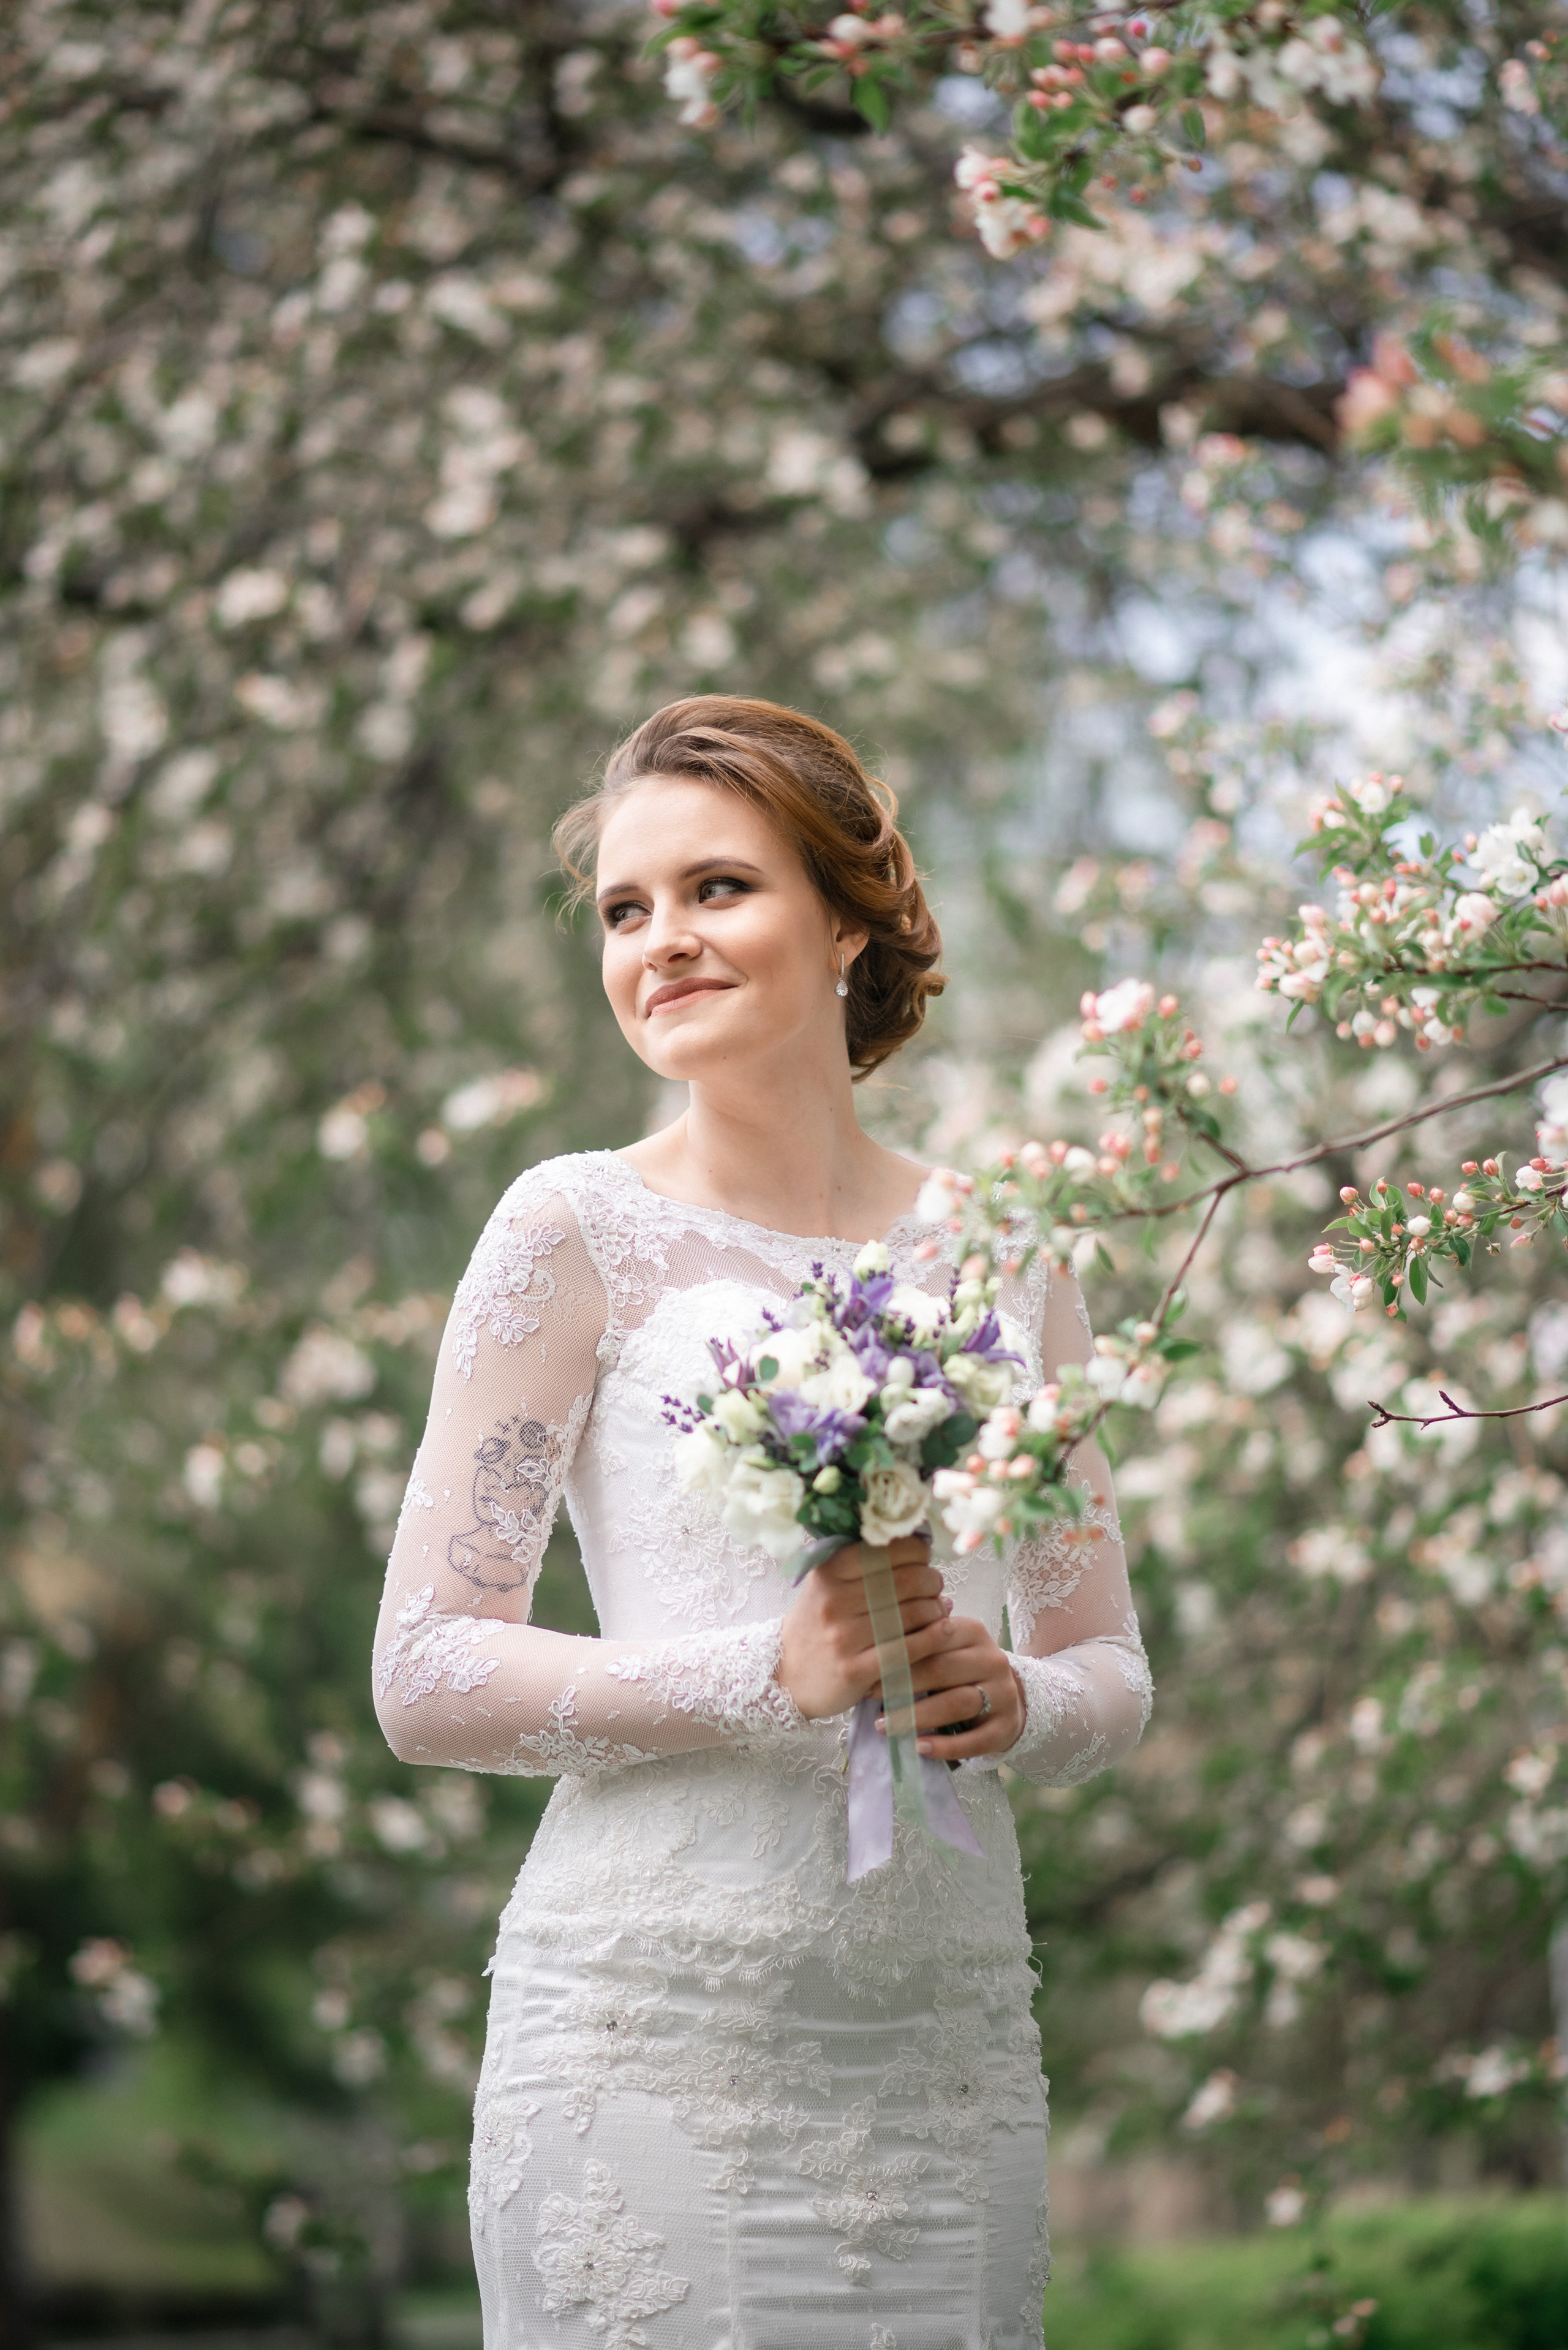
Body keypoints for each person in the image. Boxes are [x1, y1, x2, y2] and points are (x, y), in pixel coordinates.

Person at [372, 696, 1151, 2350]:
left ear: (849, 918)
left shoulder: (1008, 1250)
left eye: (717, 888)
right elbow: (425, 1671)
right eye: (625, 909)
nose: (662, 941)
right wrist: (762, 1669)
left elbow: (1110, 1662)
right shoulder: (571, 1229)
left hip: (940, 2052)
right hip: (641, 2042)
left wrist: (1018, 1699)